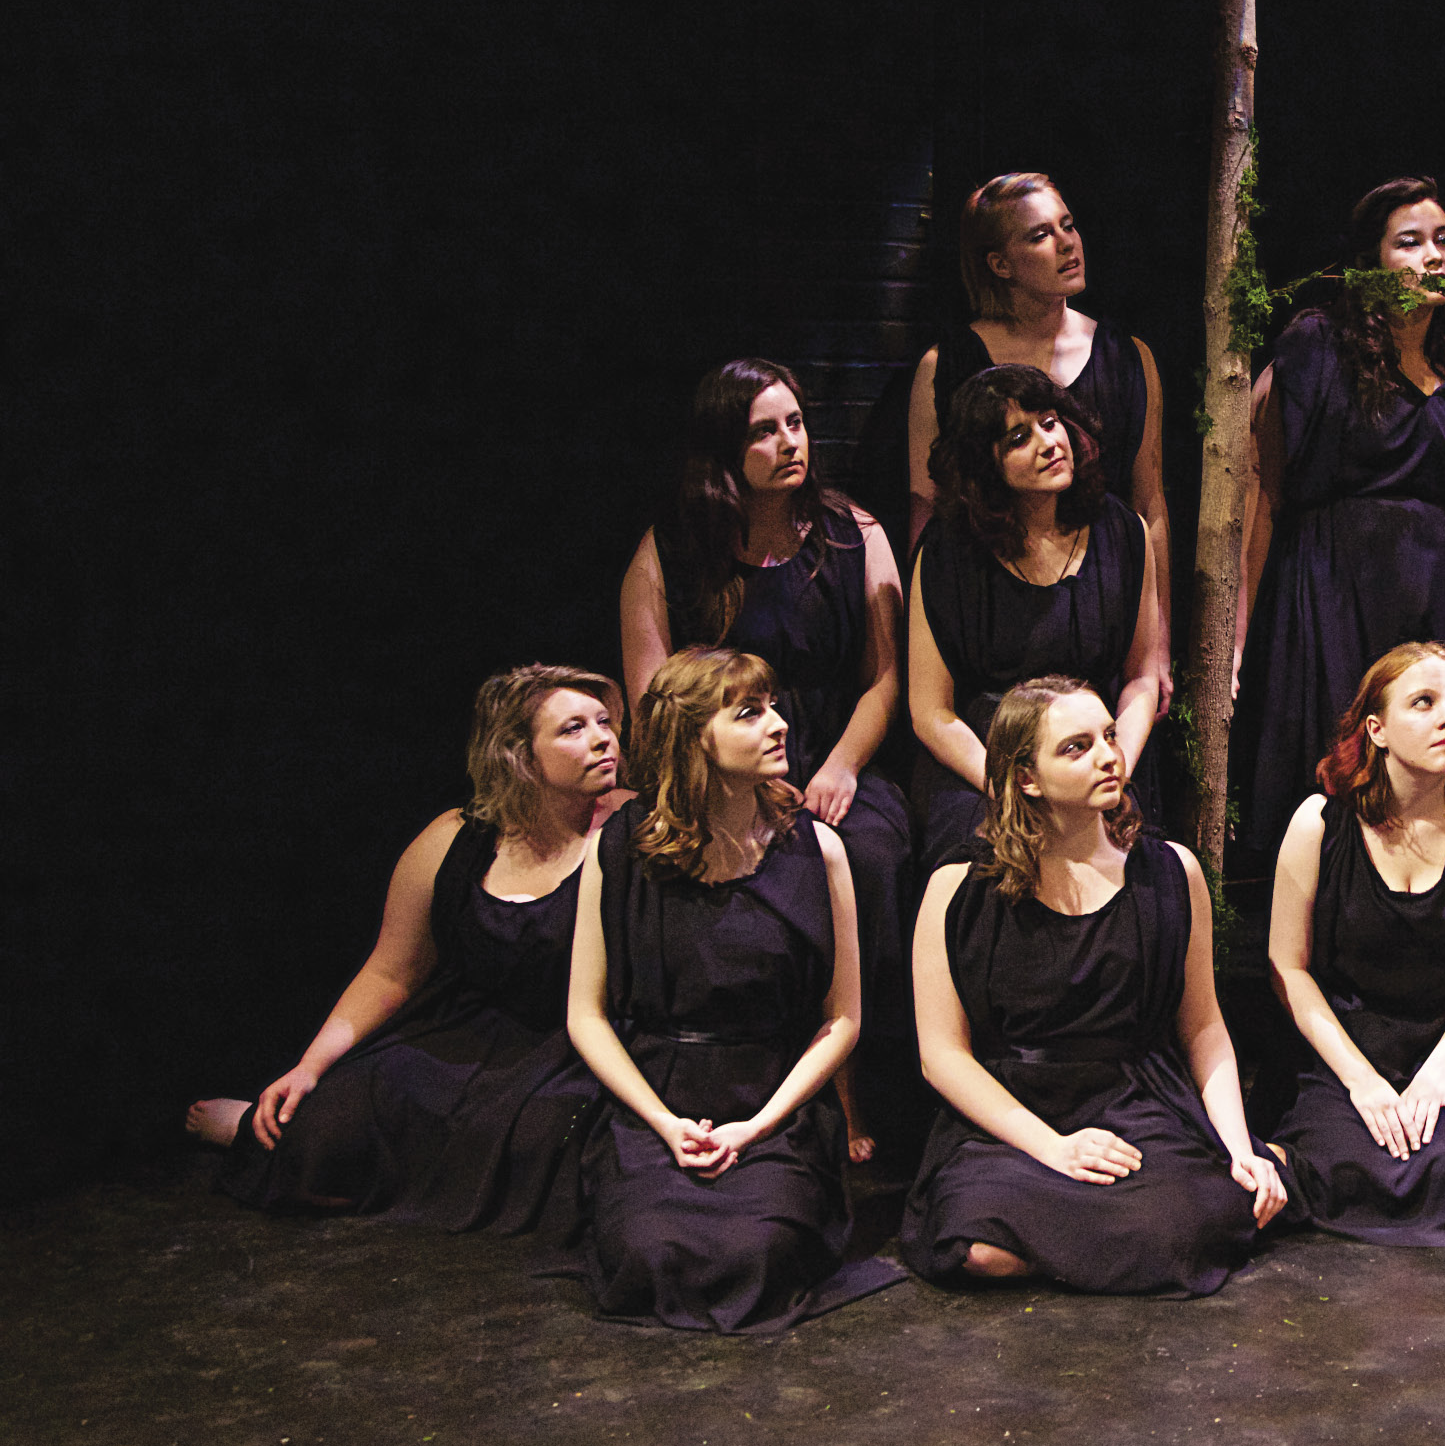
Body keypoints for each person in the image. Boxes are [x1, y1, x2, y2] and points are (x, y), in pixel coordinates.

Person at [190, 665, 625, 1234]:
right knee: (327, 1125)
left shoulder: (633, 828)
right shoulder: (455, 837)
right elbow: (391, 972)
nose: (602, 738)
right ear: (518, 754)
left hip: (569, 1045)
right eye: (573, 728)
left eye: (603, 722)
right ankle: (250, 1128)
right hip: (460, 1039)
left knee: (555, 1143)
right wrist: (309, 1066)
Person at [899, 679, 1287, 1295]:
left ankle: (1092, 1239)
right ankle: (1097, 1241)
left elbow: (1204, 1027)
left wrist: (1238, 1145)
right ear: (1026, 777)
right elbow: (941, 1055)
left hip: (1135, 1104)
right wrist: (1054, 1149)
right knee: (976, 1246)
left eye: (1109, 735)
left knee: (1205, 1211)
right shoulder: (957, 886)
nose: (1109, 755)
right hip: (1013, 1115)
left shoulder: (1170, 872)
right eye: (1077, 747)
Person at [619, 358, 911, 1161]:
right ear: (723, 448)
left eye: (795, 422)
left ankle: (854, 1085)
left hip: (828, 756)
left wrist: (843, 766)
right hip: (712, 771)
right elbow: (654, 697)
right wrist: (723, 780)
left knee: (872, 854)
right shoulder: (674, 549)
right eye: (763, 431)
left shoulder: (857, 532)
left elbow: (887, 679)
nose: (789, 443)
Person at [566, 648, 897, 1333]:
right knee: (648, 1254)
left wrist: (759, 1125)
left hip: (774, 1106)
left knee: (760, 1254)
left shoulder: (819, 850)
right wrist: (663, 1123)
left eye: (772, 706)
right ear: (693, 739)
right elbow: (585, 1015)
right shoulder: (621, 850)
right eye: (750, 713)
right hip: (660, 1098)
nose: (778, 725)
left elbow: (843, 1020)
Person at [1235, 177, 1445, 868]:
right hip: (1332, 594)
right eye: (1410, 242)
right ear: (1371, 262)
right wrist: (1240, 628)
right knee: (1334, 774)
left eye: (1444, 240)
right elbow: (1264, 485)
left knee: (1424, 780)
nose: (1435, 256)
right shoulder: (1318, 346)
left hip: (1435, 608)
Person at [1266, 643, 1445, 1245]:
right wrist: (1360, 1079)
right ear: (1376, 729)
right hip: (1345, 1041)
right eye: (1423, 703)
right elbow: (1286, 966)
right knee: (1338, 1160)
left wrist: (1440, 1072)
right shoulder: (1321, 823)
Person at [907, 362, 1167, 872]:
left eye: (1050, 422)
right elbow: (930, 713)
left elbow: (1140, 679)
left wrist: (1113, 771)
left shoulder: (1123, 532)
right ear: (987, 465)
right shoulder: (946, 552)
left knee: (1139, 860)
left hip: (1096, 751)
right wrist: (1015, 788)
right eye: (1019, 437)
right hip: (987, 762)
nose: (1050, 442)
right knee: (986, 859)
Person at [893, 173, 1170, 649]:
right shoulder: (946, 365)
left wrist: (1160, 636)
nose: (1067, 244)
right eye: (1041, 235)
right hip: (991, 612)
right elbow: (927, 508)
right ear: (999, 263)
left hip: (1107, 610)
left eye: (1068, 226)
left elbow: (1149, 504)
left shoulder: (1128, 357)